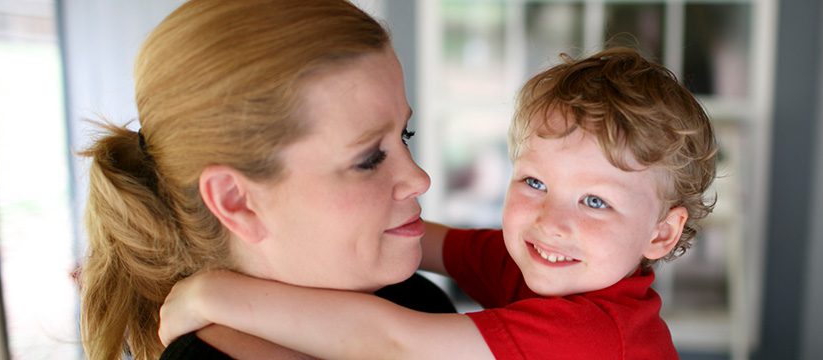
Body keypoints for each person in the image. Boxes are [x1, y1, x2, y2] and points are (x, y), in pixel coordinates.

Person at [158, 46, 719, 359]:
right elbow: (426, 240)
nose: (551, 221)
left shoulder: (597, 333)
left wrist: (215, 293)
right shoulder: (541, 259)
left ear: (661, 235)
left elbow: (393, 342)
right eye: (535, 183)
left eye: (595, 201)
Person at [76, 1, 456, 359]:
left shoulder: (418, 305)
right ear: (236, 202)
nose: (418, 178)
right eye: (369, 159)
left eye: (405, 135)